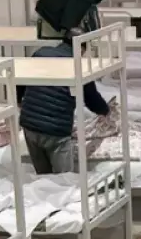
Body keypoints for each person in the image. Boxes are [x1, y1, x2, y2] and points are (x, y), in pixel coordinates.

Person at [18, 36, 110, 174]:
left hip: (29, 124)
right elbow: (91, 98)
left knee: (43, 178)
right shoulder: (79, 65)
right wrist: (106, 111)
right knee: (66, 179)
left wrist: (19, 101)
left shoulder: (40, 53)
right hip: (56, 130)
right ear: (82, 48)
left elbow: (21, 80)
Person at [35, 0, 104, 37]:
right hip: (53, 17)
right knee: (59, 49)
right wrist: (68, 28)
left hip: (49, 9)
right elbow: (78, 1)